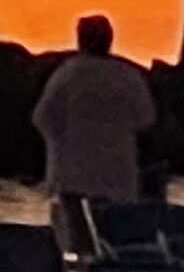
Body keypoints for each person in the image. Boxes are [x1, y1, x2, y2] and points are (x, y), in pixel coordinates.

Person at [30, 13, 158, 240]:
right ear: (110, 39)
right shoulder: (127, 76)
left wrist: (59, 146)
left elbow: (42, 118)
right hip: (118, 178)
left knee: (76, 244)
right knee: (115, 241)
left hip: (72, 179)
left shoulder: (66, 74)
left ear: (80, 39)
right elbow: (146, 118)